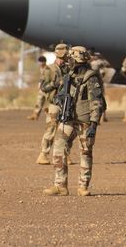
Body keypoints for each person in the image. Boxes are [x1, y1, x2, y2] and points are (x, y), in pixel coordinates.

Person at [43, 46, 105, 197]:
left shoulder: (91, 77)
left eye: (70, 58)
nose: (67, 61)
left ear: (77, 60)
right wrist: (59, 100)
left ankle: (83, 186)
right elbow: (62, 94)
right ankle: (60, 185)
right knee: (58, 149)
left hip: (85, 121)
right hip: (68, 119)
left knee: (85, 153)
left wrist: (94, 124)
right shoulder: (68, 76)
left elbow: (97, 103)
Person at [34, 44, 71, 165]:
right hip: (54, 103)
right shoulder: (49, 69)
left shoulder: (69, 69)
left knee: (67, 130)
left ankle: (65, 155)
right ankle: (43, 154)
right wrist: (54, 84)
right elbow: (43, 88)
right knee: (51, 129)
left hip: (67, 103)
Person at [88, 49, 111, 122]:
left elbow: (107, 65)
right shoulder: (93, 60)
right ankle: (100, 116)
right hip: (92, 82)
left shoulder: (97, 61)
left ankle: (102, 116)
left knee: (99, 99)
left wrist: (101, 58)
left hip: (96, 82)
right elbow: (107, 65)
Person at [27, 56, 49, 121]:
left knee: (50, 102)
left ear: (44, 62)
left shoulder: (47, 68)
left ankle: (50, 116)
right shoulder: (41, 68)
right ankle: (35, 115)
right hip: (42, 88)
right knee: (39, 101)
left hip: (47, 88)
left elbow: (45, 78)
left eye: (41, 62)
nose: (40, 63)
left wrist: (40, 83)